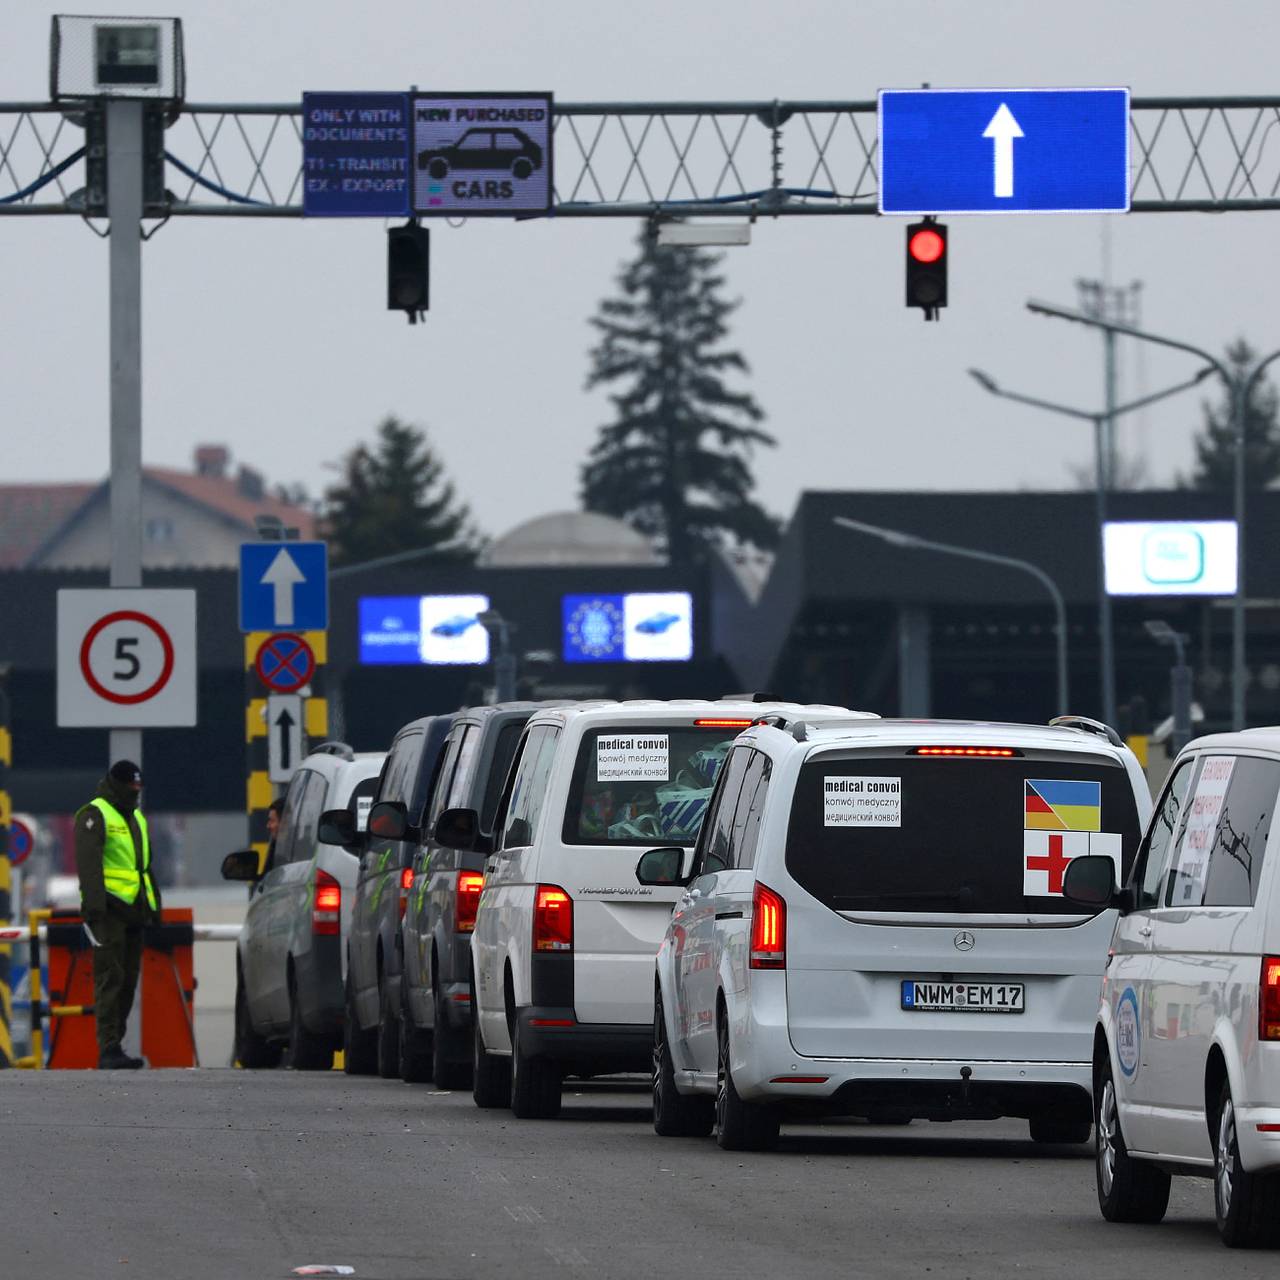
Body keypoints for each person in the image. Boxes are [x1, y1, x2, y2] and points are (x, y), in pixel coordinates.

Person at [73, 760, 161, 1070]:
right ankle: (108, 1047)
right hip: (108, 911)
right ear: (116, 784)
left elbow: (143, 866)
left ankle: (116, 1045)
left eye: (138, 788)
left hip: (135, 911)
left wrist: (154, 906)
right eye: (130, 787)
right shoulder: (94, 814)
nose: (134, 793)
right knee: (110, 978)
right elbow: (89, 866)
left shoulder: (136, 816)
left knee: (127, 981)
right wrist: (94, 909)